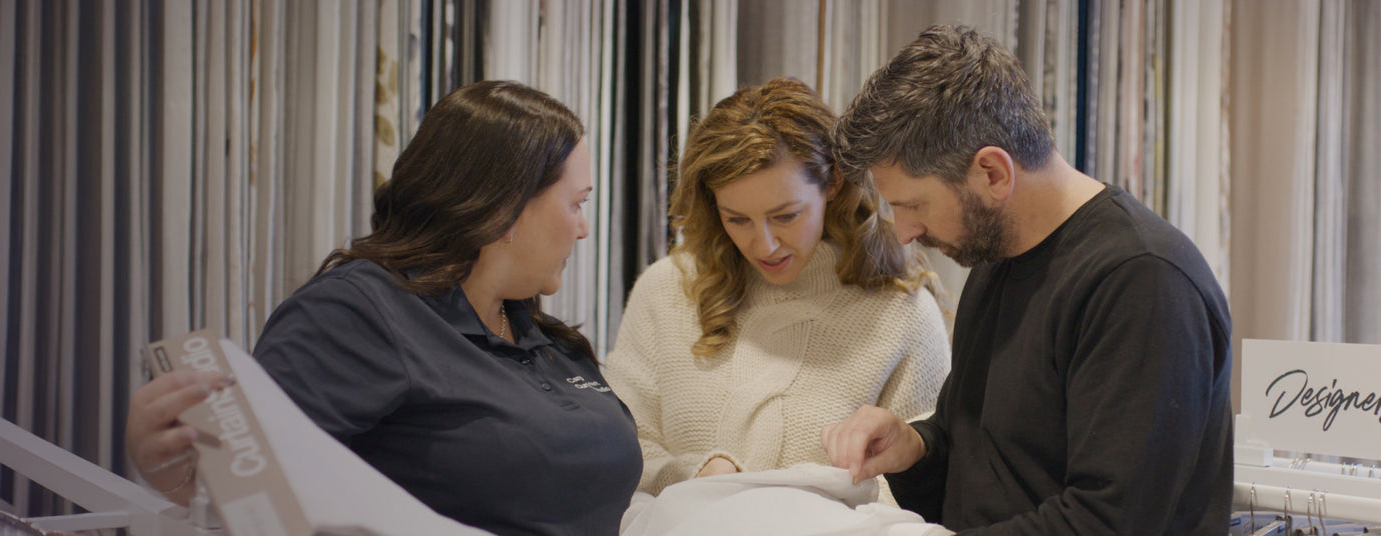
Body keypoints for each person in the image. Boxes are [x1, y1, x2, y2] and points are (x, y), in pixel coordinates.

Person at [124, 81, 641, 536]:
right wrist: (178, 476)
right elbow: (256, 498)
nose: (583, 228)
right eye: (577, 203)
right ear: (504, 205)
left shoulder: (539, 334)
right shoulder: (358, 313)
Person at [820, 25, 1233, 534]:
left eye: (913, 205)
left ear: (993, 172)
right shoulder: (997, 255)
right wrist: (917, 447)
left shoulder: (1143, 282)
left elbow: (1108, 521)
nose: (904, 233)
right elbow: (981, 456)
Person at [603, 77, 951, 504]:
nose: (763, 245)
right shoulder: (667, 290)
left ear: (834, 182)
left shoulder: (903, 314)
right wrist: (692, 475)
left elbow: (921, 490)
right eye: (738, 219)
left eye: (785, 216)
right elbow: (617, 449)